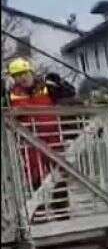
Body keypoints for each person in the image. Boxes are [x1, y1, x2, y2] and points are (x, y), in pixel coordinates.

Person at [7, 57, 75, 219]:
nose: (22, 78)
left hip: (52, 138)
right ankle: (39, 212)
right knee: (35, 176)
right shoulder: (11, 95)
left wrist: (60, 83)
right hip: (29, 142)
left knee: (58, 173)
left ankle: (61, 211)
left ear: (31, 72)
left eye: (24, 73)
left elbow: (70, 94)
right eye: (17, 75)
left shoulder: (47, 88)